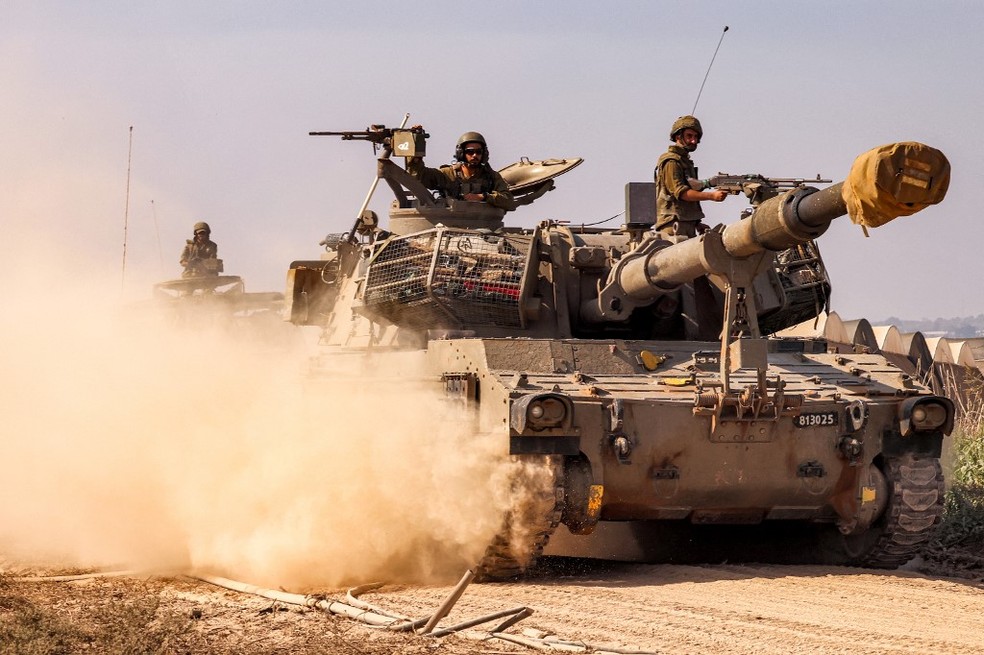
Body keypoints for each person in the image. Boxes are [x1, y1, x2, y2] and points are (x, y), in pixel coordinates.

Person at [654, 115, 728, 238]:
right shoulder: (671, 161)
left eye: (696, 137)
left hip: (685, 223)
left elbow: (689, 194)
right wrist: (712, 196)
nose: (693, 141)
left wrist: (697, 223)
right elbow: (681, 193)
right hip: (673, 225)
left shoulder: (685, 162)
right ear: (678, 137)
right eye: (689, 136)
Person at [406, 131, 517, 211]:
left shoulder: (491, 177)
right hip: (450, 226)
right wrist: (415, 143)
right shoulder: (448, 174)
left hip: (485, 226)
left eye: (478, 152)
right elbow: (418, 177)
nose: (474, 155)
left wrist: (484, 196)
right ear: (461, 153)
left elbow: (509, 202)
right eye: (470, 152)